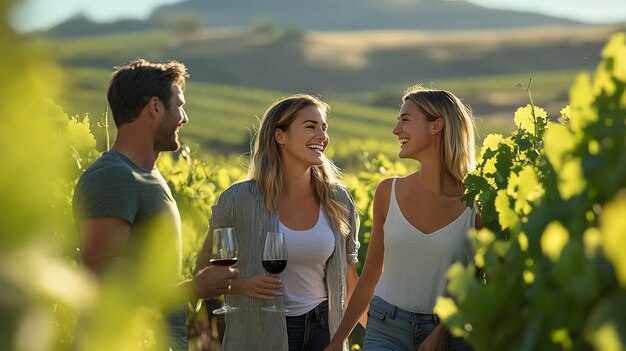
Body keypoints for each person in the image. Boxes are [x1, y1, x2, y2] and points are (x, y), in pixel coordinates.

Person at [73, 58, 237, 350]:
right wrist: (195, 288)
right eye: (180, 106)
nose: (184, 118)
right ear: (155, 107)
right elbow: (107, 289)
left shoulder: (148, 176)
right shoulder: (113, 177)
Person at [196, 94, 363, 351]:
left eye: (324, 128)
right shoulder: (238, 199)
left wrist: (366, 338)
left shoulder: (337, 198)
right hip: (261, 332)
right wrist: (239, 287)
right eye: (311, 126)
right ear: (280, 136)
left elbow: (349, 280)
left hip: (324, 330)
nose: (322, 135)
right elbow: (204, 265)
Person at [324, 86, 482, 351]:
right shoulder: (388, 192)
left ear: (436, 126)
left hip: (453, 333)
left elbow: (476, 281)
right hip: (387, 328)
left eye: (405, 120)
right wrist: (339, 339)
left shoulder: (477, 203)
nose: (396, 130)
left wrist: (442, 333)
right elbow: (370, 276)